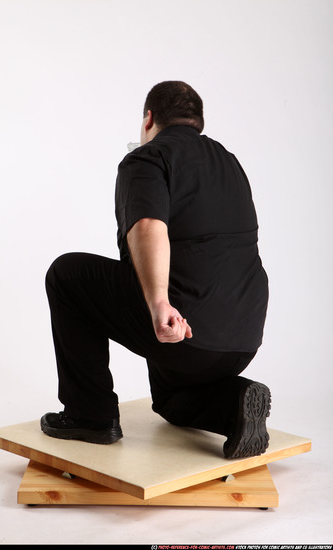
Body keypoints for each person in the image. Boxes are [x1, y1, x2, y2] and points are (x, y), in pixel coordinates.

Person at [41, 81, 271, 459]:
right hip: (243, 337)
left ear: (149, 118)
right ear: (197, 121)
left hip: (186, 331)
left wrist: (159, 302)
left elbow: (149, 227)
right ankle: (236, 403)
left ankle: (89, 415)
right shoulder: (230, 162)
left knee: (67, 275)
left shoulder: (149, 158)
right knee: (168, 399)